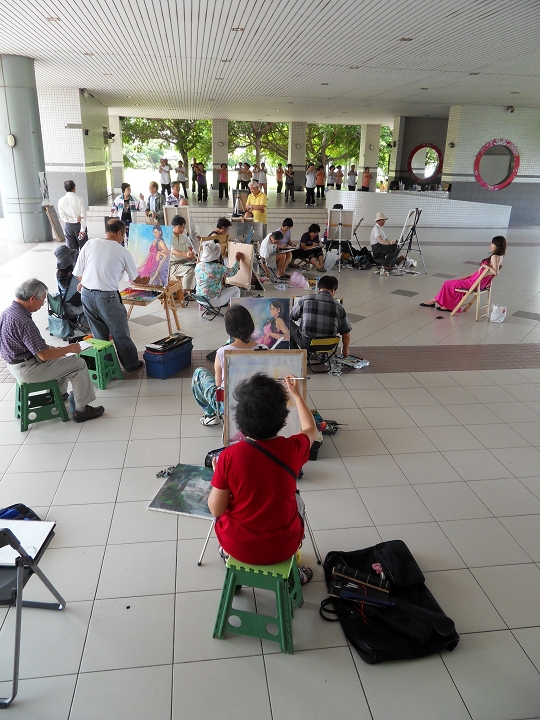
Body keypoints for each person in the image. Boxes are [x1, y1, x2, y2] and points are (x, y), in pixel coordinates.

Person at [208, 372, 316, 584]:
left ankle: (228, 557)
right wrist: (297, 395)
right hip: (284, 546)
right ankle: (293, 575)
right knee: (298, 501)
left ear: (240, 420)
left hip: (238, 546)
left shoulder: (229, 457)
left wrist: (218, 475)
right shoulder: (292, 449)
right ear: (283, 418)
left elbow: (216, 509)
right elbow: (310, 429)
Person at [0, 278, 104, 423]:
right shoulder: (24, 321)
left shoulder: (8, 313)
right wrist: (70, 348)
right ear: (32, 298)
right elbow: (44, 356)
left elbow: (28, 345)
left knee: (61, 359)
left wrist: (57, 350)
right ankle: (82, 410)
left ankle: (59, 395)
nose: (43, 304)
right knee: (79, 364)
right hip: (27, 369)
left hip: (16, 365)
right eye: (42, 300)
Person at [74, 219, 150, 372]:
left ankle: (107, 366)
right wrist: (147, 279)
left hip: (86, 295)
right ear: (119, 233)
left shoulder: (90, 243)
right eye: (124, 234)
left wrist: (85, 283)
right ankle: (131, 365)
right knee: (120, 333)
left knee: (99, 335)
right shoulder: (122, 251)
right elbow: (136, 279)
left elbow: (78, 273)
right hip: (107, 297)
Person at [191, 305, 266, 425]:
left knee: (199, 373)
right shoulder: (264, 348)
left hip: (228, 403)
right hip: (257, 402)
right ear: (251, 325)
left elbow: (218, 384)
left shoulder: (222, 352)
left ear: (229, 329)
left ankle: (210, 415)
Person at [420, 236, 506, 312]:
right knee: (454, 284)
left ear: (498, 246)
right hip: (480, 281)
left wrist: (484, 266)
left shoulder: (494, 257)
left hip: (476, 283)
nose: (490, 246)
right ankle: (442, 304)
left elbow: (495, 272)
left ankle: (435, 302)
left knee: (447, 283)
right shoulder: (500, 256)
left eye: (493, 244)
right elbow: (485, 272)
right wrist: (469, 275)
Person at [290, 274, 351, 356]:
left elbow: (292, 316)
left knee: (287, 322)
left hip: (307, 344)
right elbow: (346, 333)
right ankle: (323, 355)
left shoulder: (305, 299)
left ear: (319, 289)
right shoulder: (339, 306)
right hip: (329, 345)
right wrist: (345, 349)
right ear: (333, 289)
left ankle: (297, 356)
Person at [195, 240, 243, 308]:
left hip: (200, 299)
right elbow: (232, 272)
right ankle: (231, 312)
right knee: (236, 290)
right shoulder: (217, 267)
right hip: (212, 301)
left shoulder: (198, 265)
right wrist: (237, 260)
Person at [57, 180, 87, 254]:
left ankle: (74, 261)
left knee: (72, 251)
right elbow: (83, 216)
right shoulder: (79, 199)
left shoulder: (61, 200)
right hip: (79, 226)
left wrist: (74, 220)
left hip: (68, 227)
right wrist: (82, 230)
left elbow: (62, 216)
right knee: (84, 249)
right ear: (74, 188)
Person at [169, 216, 195, 297]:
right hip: (172, 264)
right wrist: (186, 254)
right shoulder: (169, 237)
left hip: (183, 260)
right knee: (190, 270)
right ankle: (184, 292)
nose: (182, 229)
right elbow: (173, 251)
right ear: (174, 226)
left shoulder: (182, 237)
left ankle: (193, 290)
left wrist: (192, 256)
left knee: (198, 266)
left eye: (183, 227)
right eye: (180, 227)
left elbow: (187, 250)